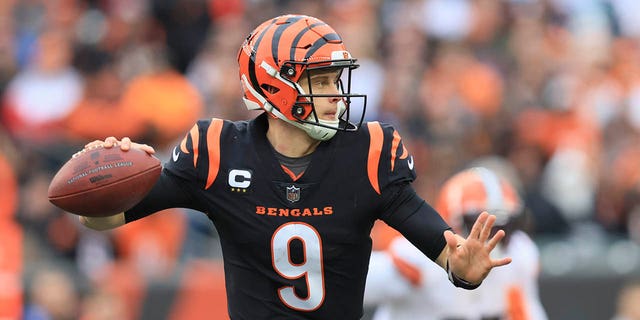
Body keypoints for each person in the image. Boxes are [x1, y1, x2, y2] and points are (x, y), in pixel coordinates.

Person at [74, 14, 511, 320]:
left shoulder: (368, 155)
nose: (336, 94)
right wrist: (102, 180)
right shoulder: (218, 152)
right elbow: (102, 218)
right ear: (273, 86)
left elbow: (446, 250)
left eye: (335, 80)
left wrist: (463, 271)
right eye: (320, 81)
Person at [365, 166, 548, 320]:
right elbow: (346, 285)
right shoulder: (417, 259)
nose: (491, 237)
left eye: (504, 225)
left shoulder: (518, 254)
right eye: (479, 224)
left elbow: (529, 312)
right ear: (449, 221)